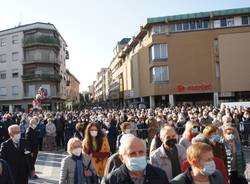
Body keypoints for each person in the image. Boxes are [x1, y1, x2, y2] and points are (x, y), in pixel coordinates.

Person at [101, 135, 169, 184]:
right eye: (132, 154)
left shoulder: (160, 175)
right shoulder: (111, 180)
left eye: (141, 152)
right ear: (122, 158)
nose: (138, 156)